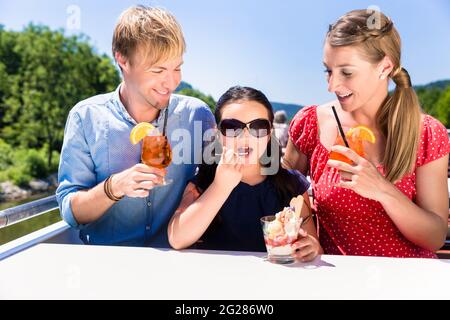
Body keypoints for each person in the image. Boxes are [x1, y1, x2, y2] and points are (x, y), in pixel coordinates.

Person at [283, 9, 449, 258]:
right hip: (337, 280)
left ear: (384, 68)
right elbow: (286, 193)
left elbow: (435, 237)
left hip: (410, 282)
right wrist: (309, 236)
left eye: (347, 73)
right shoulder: (310, 124)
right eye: (328, 71)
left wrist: (382, 190)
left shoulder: (426, 133)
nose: (331, 86)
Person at [56, 6, 215, 246]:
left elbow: (220, 185)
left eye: (177, 67)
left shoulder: (198, 116)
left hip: (178, 264)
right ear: (122, 59)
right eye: (158, 69)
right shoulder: (85, 117)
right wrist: (114, 187)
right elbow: (71, 213)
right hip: (108, 264)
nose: (172, 82)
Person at [168, 86, 322, 262]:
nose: (245, 136)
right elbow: (177, 238)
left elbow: (314, 247)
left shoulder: (292, 185)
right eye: (232, 126)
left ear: (270, 134)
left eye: (258, 126)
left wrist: (311, 246)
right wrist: (220, 187)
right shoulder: (204, 181)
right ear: (218, 134)